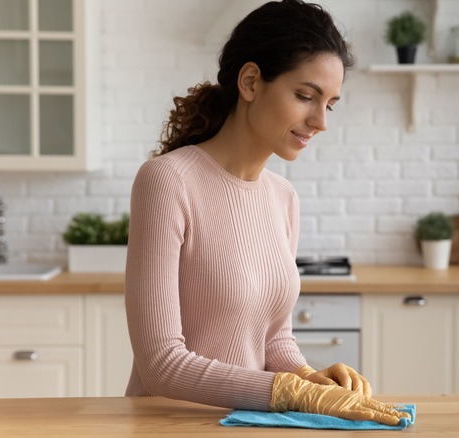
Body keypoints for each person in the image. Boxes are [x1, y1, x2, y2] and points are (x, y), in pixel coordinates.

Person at [124, 0, 409, 426]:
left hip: (251, 424)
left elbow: (273, 339)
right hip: (170, 426)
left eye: (329, 104)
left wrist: (309, 376)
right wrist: (292, 392)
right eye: (305, 96)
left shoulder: (283, 197)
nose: (320, 122)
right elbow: (161, 363)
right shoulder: (167, 181)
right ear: (251, 81)